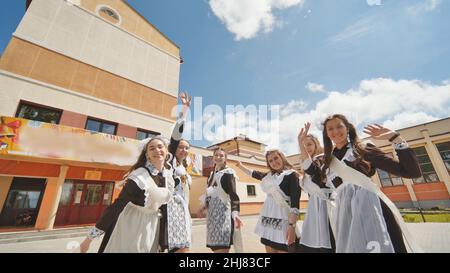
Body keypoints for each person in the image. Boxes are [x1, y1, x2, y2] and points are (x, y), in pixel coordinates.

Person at [79, 92, 191, 253]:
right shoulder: (139, 177)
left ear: (167, 152)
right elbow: (116, 206)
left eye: (160, 146)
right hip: (129, 228)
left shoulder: (168, 173)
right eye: (151, 148)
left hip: (152, 227)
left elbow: (175, 137)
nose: (157, 150)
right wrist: (89, 239)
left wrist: (184, 111)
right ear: (147, 155)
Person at [298, 115, 422, 253]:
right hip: (344, 212)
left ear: (348, 128)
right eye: (330, 128)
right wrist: (301, 144)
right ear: (326, 134)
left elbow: (411, 171)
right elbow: (313, 174)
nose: (335, 131)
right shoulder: (327, 161)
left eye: (339, 126)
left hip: (371, 206)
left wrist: (394, 137)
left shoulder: (363, 148)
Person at [236, 150, 301, 253]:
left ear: (282, 157)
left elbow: (295, 204)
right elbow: (254, 174)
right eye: (270, 161)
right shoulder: (269, 176)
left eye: (276, 158)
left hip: (283, 220)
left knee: (285, 247)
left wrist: (292, 226)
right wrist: (240, 166)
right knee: (269, 247)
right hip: (268, 222)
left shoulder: (292, 175)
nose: (274, 162)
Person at [197, 148, 243, 253]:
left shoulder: (228, 173)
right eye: (216, 155)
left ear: (225, 158)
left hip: (224, 217)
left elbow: (233, 195)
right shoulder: (212, 174)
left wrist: (235, 214)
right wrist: (203, 207)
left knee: (222, 248)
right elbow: (210, 194)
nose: (218, 157)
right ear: (213, 158)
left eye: (221, 155)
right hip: (212, 218)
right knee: (215, 248)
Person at [297, 133, 335, 253]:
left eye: (309, 144)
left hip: (328, 204)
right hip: (314, 207)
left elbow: (316, 175)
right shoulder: (307, 164)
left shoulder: (322, 158)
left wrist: (299, 142)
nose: (306, 148)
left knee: (331, 240)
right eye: (304, 145)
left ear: (316, 144)